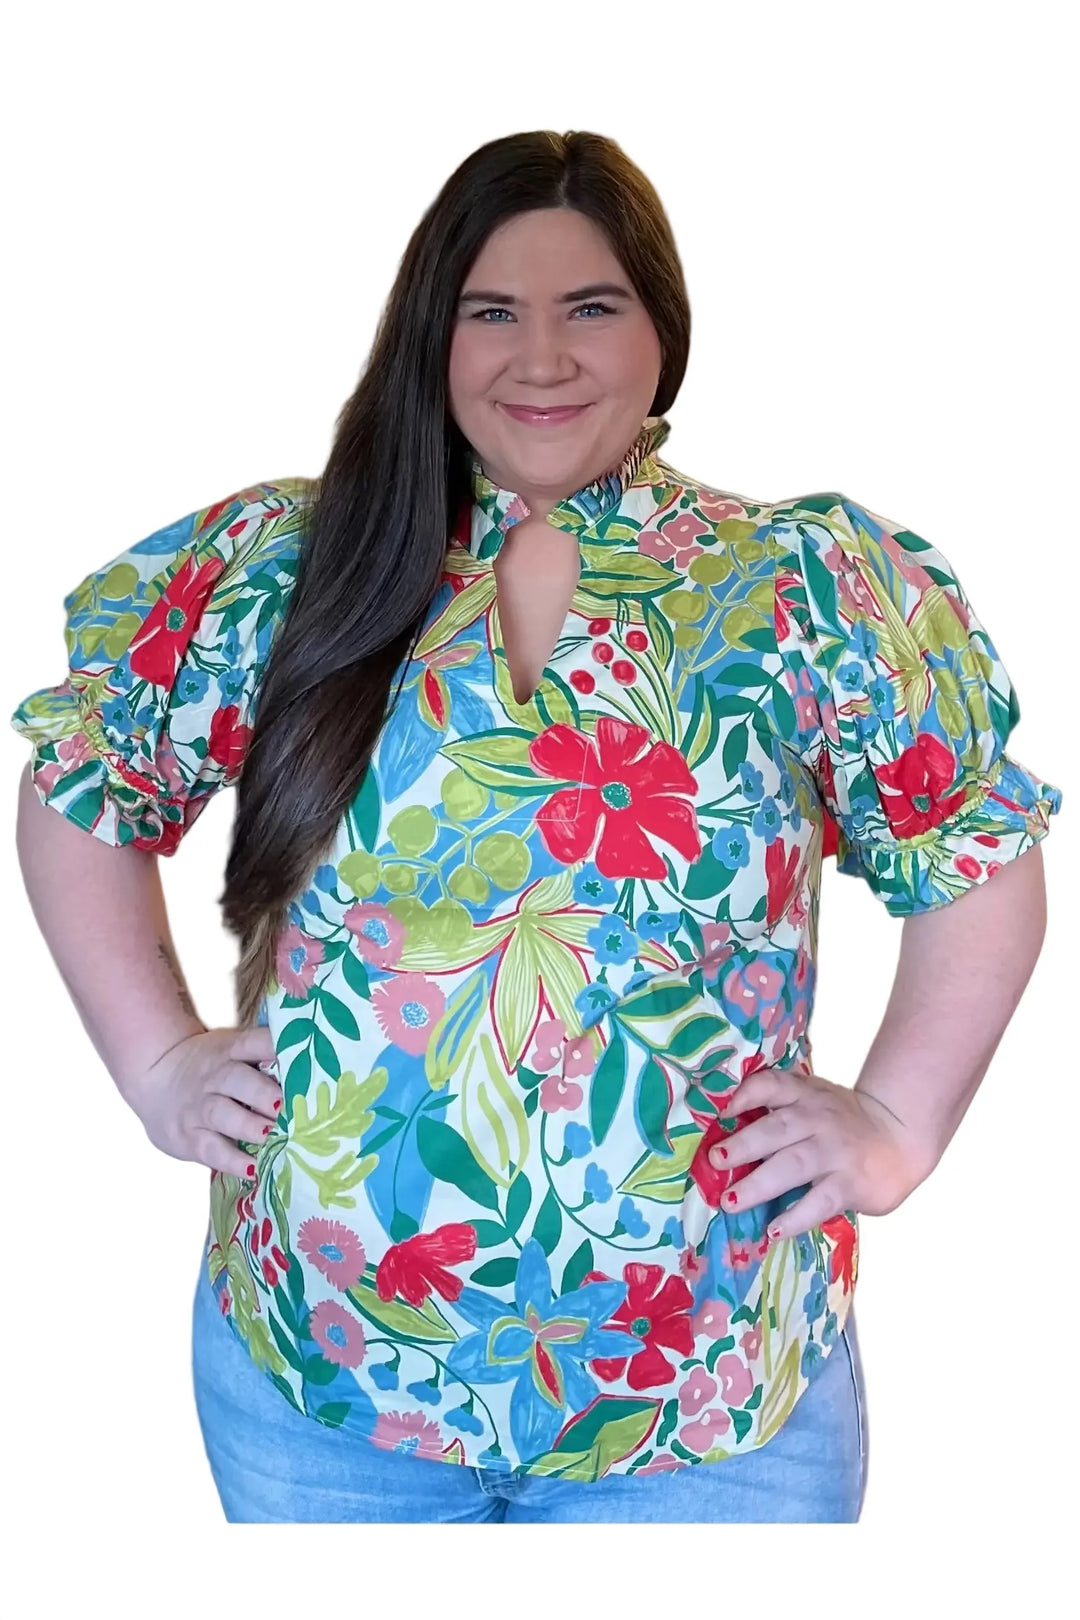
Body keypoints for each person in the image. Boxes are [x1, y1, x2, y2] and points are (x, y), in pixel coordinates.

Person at [11, 129, 1059, 1525]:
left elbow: (976, 859)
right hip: (324, 1376)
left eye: (592, 307)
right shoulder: (288, 565)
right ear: (428, 332)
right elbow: (85, 792)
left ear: (662, 333)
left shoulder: (797, 585)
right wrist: (156, 1062)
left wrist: (895, 1125)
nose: (542, 357)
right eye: (491, 311)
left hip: (705, 1395)